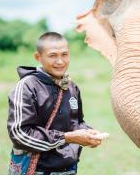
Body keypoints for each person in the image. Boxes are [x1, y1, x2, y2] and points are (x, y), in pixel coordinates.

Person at [7, 32, 102, 175]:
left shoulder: (72, 87)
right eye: (53, 55)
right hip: (36, 169)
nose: (60, 61)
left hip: (69, 168)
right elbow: (20, 133)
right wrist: (66, 137)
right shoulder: (27, 86)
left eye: (64, 54)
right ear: (38, 57)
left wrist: (88, 134)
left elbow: (76, 123)